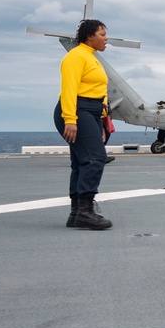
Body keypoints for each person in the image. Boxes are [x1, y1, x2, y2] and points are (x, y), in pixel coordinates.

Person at [52, 18, 112, 230]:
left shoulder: (91, 57)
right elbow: (69, 89)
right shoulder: (76, 57)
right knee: (96, 158)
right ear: (90, 36)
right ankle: (86, 211)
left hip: (91, 113)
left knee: (81, 161)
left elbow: (99, 92)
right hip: (78, 111)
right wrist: (70, 119)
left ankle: (77, 212)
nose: (106, 39)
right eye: (102, 34)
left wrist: (103, 120)